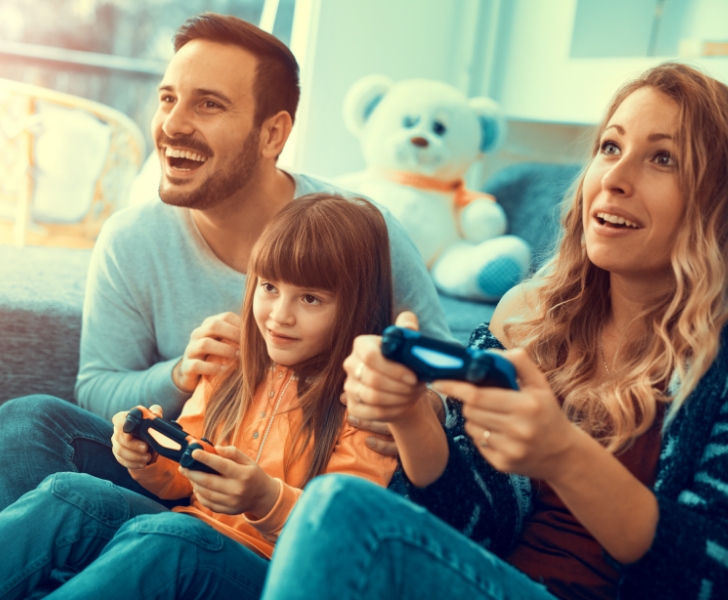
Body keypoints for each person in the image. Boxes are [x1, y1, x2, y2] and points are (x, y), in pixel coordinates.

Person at [260, 62, 728, 600]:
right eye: (610, 147)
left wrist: (563, 454)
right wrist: (412, 416)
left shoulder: (716, 372)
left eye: (662, 158)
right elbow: (465, 525)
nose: (615, 179)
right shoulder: (528, 316)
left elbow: (710, 570)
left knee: (338, 508)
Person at [0, 12, 452, 513]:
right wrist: (180, 375)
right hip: (176, 480)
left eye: (208, 104)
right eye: (168, 99)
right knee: (26, 422)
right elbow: (98, 388)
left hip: (288, 512)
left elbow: (449, 382)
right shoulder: (130, 238)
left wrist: (408, 405)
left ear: (273, 134)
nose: (172, 124)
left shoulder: (364, 231)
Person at [0, 193, 399, 600]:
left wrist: (264, 498)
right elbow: (184, 479)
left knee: (167, 538)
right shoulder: (236, 365)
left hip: (266, 574)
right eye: (269, 287)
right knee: (69, 492)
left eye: (309, 298)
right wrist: (145, 458)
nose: (279, 315)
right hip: (183, 535)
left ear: (355, 307)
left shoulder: (365, 405)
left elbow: (340, 540)